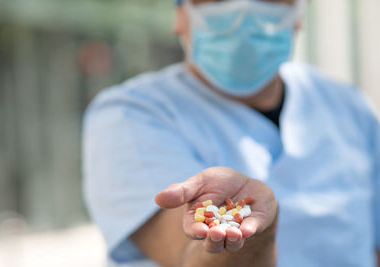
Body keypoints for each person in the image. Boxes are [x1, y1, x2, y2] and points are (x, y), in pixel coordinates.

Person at [82, 0, 380, 266]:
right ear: (180, 15)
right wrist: (250, 231)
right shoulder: (132, 113)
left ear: (299, 14)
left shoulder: (347, 105)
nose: (244, 9)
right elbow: (189, 256)